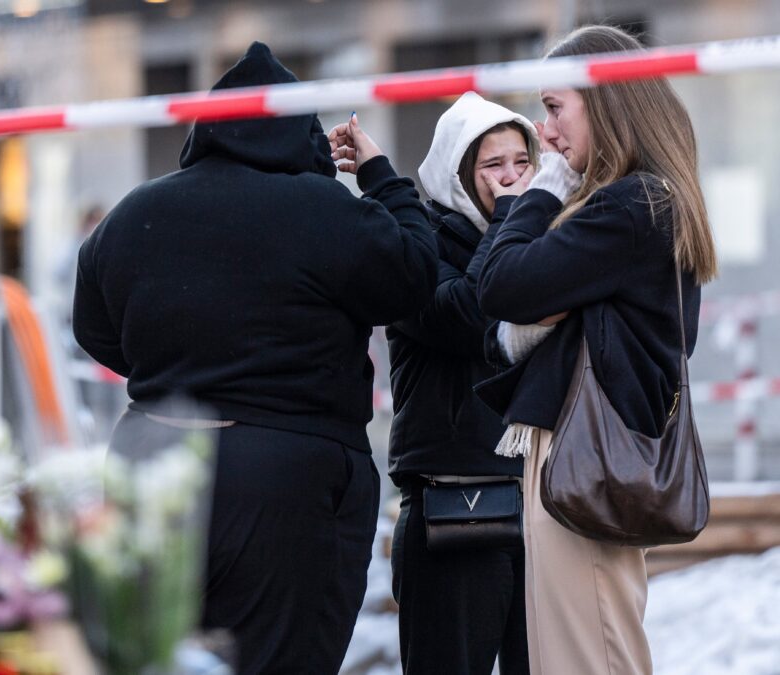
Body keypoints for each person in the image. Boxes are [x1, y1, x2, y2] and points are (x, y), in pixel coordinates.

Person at [72, 42, 438, 674]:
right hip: (285, 480)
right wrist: (380, 175)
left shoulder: (134, 213)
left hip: (149, 463)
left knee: (153, 656)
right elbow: (413, 274)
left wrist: (179, 371)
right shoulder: (321, 209)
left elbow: (95, 329)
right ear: (302, 134)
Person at [474, 25, 719, 675]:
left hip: (586, 458)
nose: (544, 133)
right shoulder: (644, 201)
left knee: (588, 657)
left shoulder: (631, 205)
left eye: (555, 108)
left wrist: (544, 189)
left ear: (607, 103)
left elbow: (499, 284)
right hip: (582, 456)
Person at [373, 91, 539, 675]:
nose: (513, 179)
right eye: (494, 166)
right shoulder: (419, 248)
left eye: (523, 162)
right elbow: (469, 313)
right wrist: (513, 221)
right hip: (453, 506)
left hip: (538, 506)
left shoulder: (537, 241)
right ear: (459, 174)